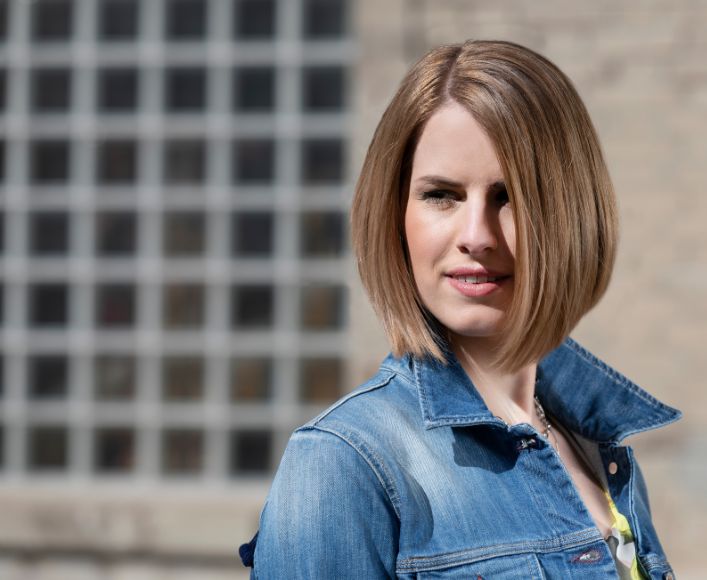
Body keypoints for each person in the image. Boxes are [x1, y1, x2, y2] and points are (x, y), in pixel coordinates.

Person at [240, 39, 681, 580]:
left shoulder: (597, 447)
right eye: (441, 195)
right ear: (395, 215)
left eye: (509, 196)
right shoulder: (343, 463)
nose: (476, 235)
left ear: (572, 215)